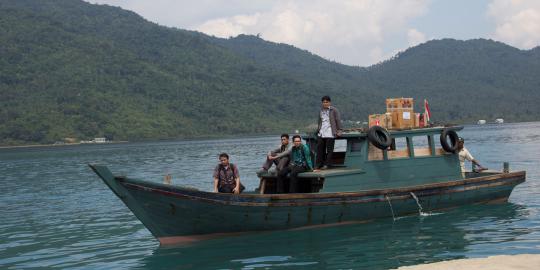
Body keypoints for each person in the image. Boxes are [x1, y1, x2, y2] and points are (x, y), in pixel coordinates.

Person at [315, 95, 343, 170]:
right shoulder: (321, 110)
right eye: (323, 102)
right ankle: (318, 164)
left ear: (329, 102)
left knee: (329, 149)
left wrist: (339, 130)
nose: (325, 103)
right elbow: (319, 121)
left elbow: (338, 120)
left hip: (330, 132)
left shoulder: (334, 110)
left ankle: (327, 164)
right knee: (320, 149)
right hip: (321, 132)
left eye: (326, 102)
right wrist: (318, 129)